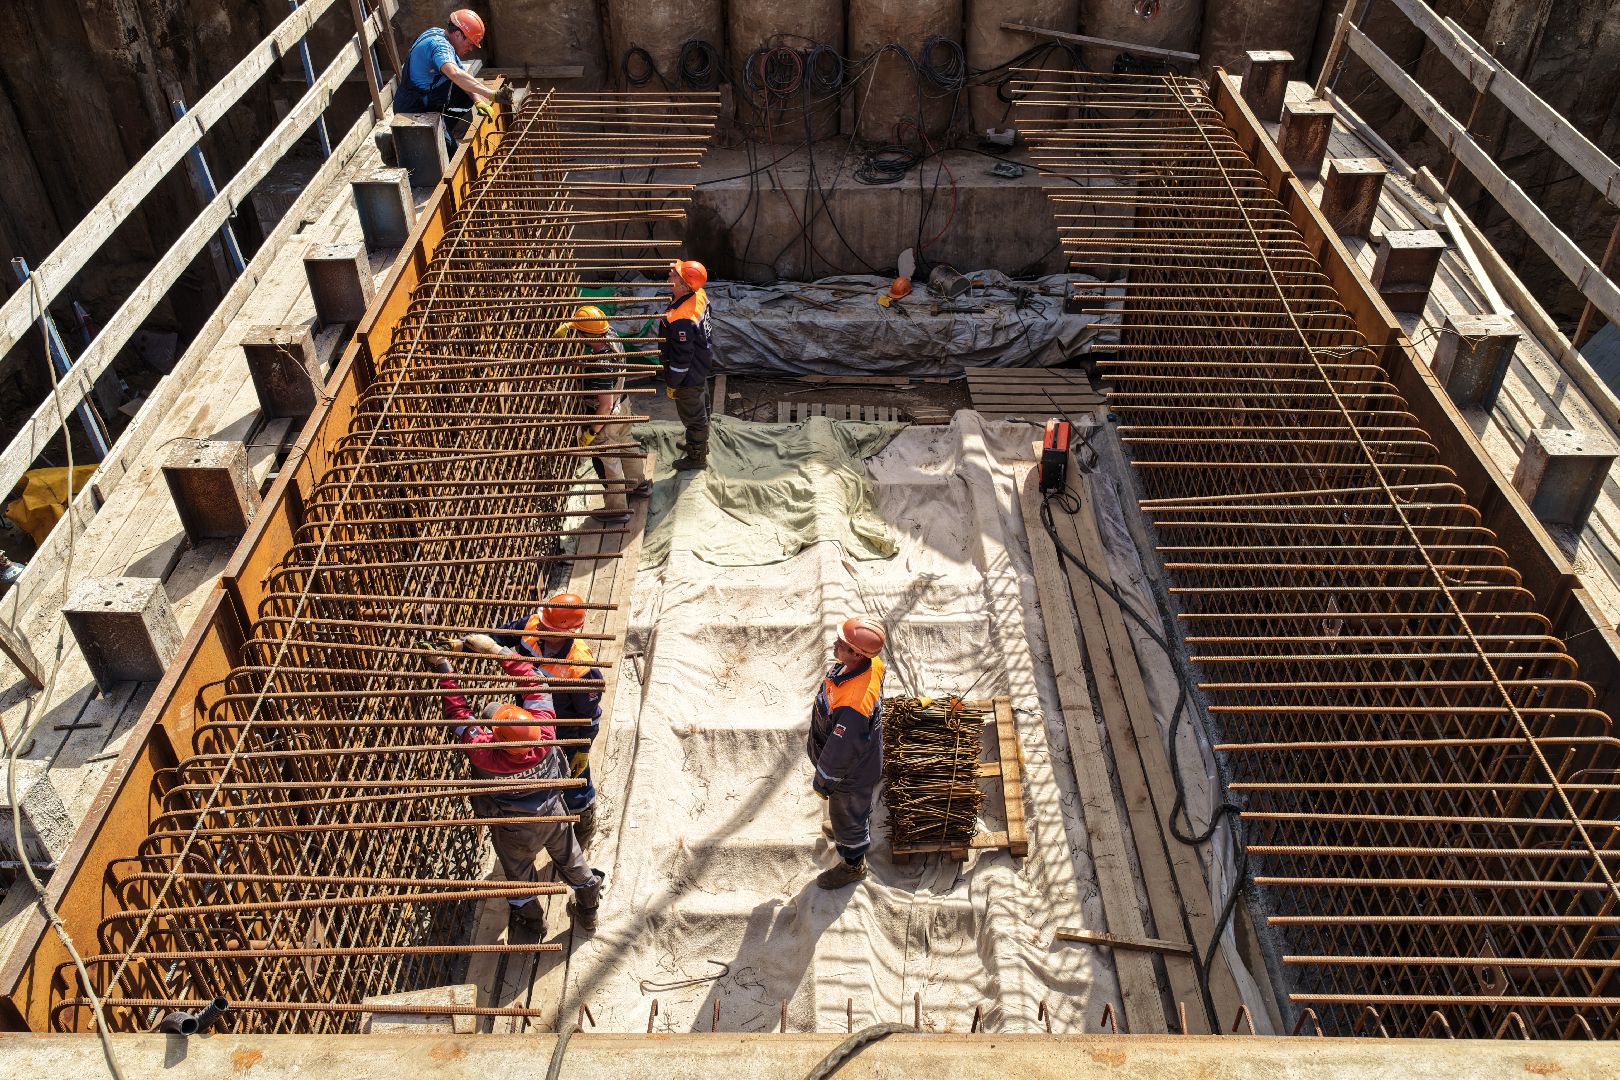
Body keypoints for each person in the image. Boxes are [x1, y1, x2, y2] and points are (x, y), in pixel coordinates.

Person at [430, 632, 605, 931]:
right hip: (554, 814)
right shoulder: (546, 730)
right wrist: (499, 651)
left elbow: (458, 715)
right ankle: (588, 909)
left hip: (515, 829)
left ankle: (531, 920)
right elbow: (535, 682)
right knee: (572, 860)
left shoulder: (486, 756)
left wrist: (445, 669)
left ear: (495, 737)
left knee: (519, 874)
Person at [493, 593, 604, 844]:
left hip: (565, 730)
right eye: (542, 622)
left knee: (575, 779)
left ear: (569, 631)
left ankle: (583, 818)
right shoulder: (532, 625)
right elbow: (500, 635)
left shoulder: (581, 668)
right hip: (531, 719)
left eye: (547, 627)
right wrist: (466, 643)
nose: (540, 627)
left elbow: (591, 717)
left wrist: (583, 749)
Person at [807, 616, 888, 889]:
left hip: (849, 774)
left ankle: (853, 863)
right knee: (849, 810)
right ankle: (847, 826)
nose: (834, 644)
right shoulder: (870, 663)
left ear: (856, 653)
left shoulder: (853, 708)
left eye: (841, 643)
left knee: (847, 812)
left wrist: (824, 780)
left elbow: (841, 751)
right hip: (860, 760)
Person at [571, 305, 650, 522]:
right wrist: (571, 325)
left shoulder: (601, 365)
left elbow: (604, 406)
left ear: (586, 335)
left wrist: (592, 431)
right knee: (626, 443)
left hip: (607, 416)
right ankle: (639, 485)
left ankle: (617, 510)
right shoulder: (611, 334)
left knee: (610, 461)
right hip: (622, 404)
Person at [394, 9, 507, 139]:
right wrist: (491, 94)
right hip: (412, 108)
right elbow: (455, 74)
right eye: (470, 43)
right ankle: (394, 142)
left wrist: (477, 100)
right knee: (447, 153)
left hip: (428, 96)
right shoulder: (439, 47)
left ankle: (445, 128)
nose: (470, 49)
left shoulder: (440, 35)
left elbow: (461, 72)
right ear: (458, 34)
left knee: (466, 96)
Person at [659, 259, 714, 472]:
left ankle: (697, 457)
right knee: (702, 407)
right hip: (701, 363)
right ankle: (698, 443)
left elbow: (682, 358)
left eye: (675, 274)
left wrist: (673, 382)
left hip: (688, 375)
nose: (670, 273)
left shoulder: (683, 319)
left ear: (684, 285)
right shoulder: (699, 294)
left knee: (693, 415)